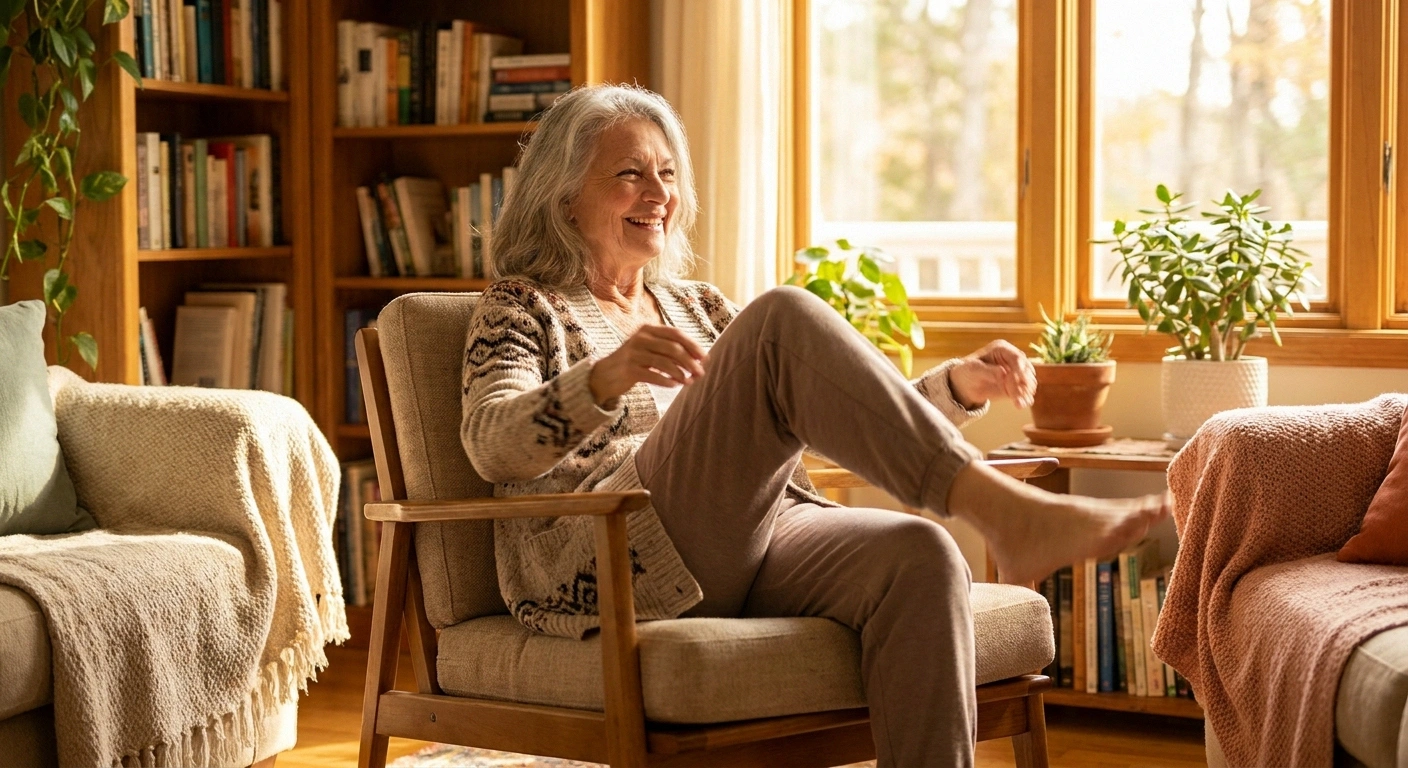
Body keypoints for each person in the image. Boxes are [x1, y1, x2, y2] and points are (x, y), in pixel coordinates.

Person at [461, 83, 1168, 767]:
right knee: (780, 319)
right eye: (629, 174)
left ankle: (994, 518)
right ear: (563, 195)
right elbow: (493, 447)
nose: (659, 195)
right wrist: (605, 378)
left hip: (755, 538)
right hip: (615, 555)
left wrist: (955, 387)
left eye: (668, 172)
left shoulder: (697, 306)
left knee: (919, 554)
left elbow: (827, 422)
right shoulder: (524, 307)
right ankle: (1004, 511)